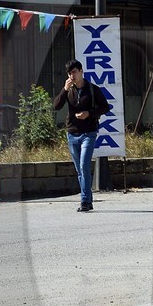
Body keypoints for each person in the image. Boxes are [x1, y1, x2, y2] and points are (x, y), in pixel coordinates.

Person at [51, 59, 110, 212]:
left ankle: (84, 200)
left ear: (81, 71)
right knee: (79, 170)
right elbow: (56, 106)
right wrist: (64, 90)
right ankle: (88, 201)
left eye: (74, 72)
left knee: (84, 166)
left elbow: (105, 107)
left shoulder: (92, 89)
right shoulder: (69, 90)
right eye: (69, 73)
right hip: (72, 133)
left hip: (89, 133)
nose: (72, 76)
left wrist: (89, 114)